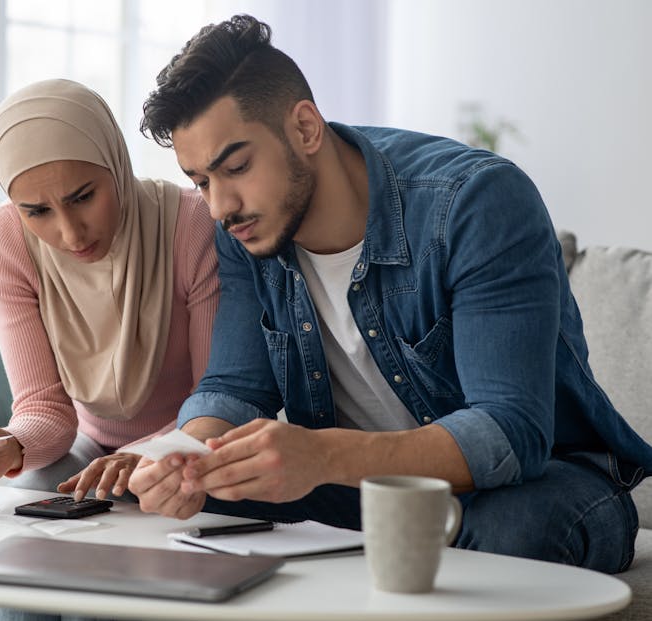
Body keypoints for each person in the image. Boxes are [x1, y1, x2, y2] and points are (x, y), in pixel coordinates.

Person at [128, 14, 652, 574]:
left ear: (305, 128)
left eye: (236, 167)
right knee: (208, 497)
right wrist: (185, 459)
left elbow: (510, 431)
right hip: (358, 486)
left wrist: (322, 453)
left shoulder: (477, 202)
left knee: (517, 529)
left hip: (536, 480)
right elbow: (233, 387)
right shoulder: (245, 231)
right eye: (201, 181)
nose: (219, 205)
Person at [0, 79, 218, 510]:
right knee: (25, 505)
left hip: (188, 438)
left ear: (115, 162)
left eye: (84, 197)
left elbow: (215, 398)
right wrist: (11, 446)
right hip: (88, 447)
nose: (70, 234)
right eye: (37, 211)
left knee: (183, 499)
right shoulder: (5, 238)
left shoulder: (192, 224)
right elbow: (45, 408)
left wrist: (148, 452)